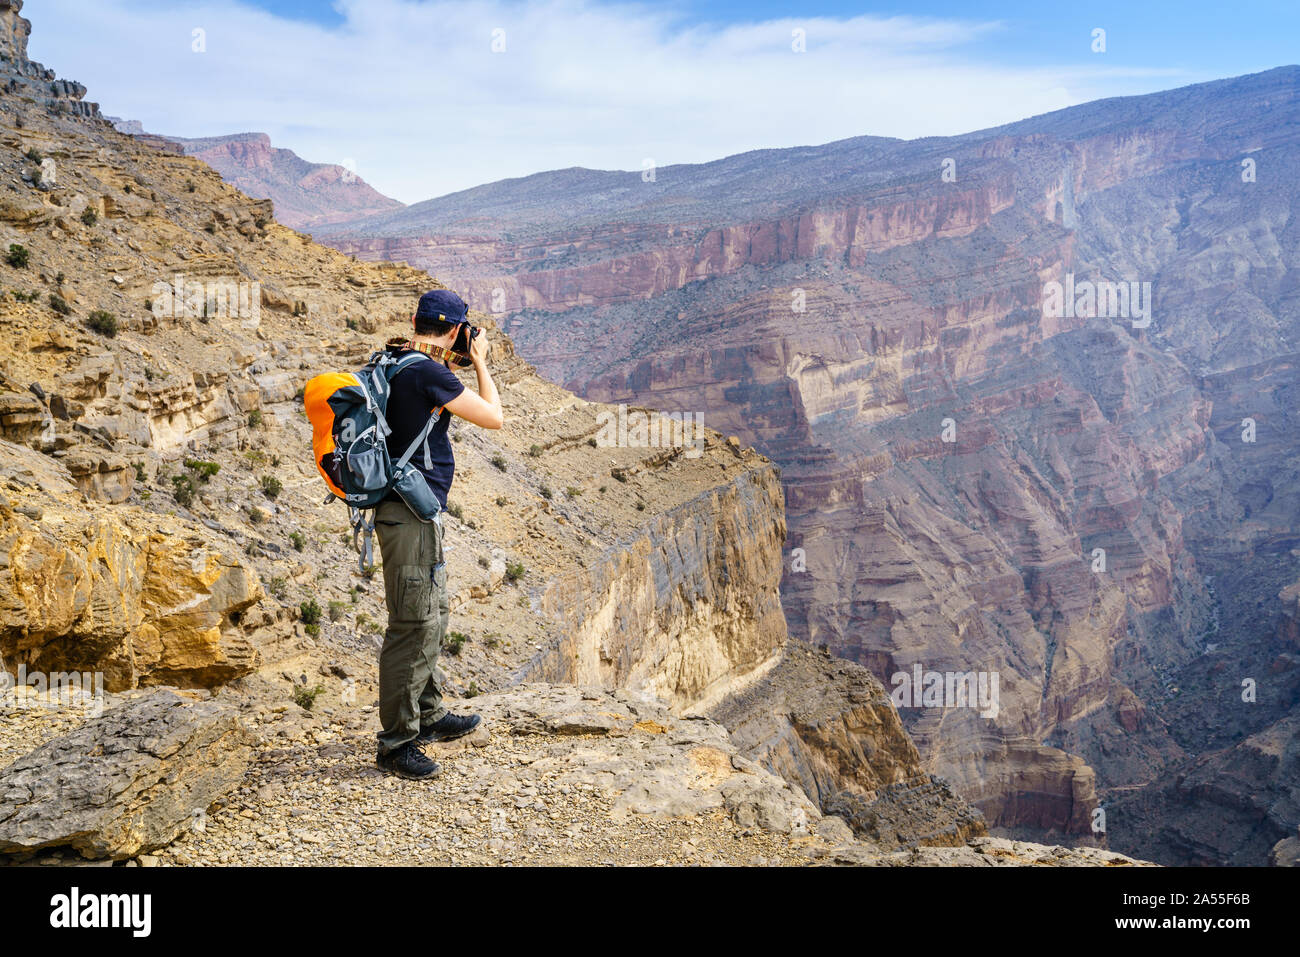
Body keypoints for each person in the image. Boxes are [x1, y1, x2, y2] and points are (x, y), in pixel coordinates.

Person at [374, 289, 503, 779]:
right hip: (407, 515)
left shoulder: (397, 358)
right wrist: (481, 360)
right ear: (455, 330)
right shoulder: (429, 372)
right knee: (413, 622)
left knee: (433, 611)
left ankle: (428, 714)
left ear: (414, 321)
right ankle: (396, 743)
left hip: (409, 512)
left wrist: (455, 353)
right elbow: (494, 416)